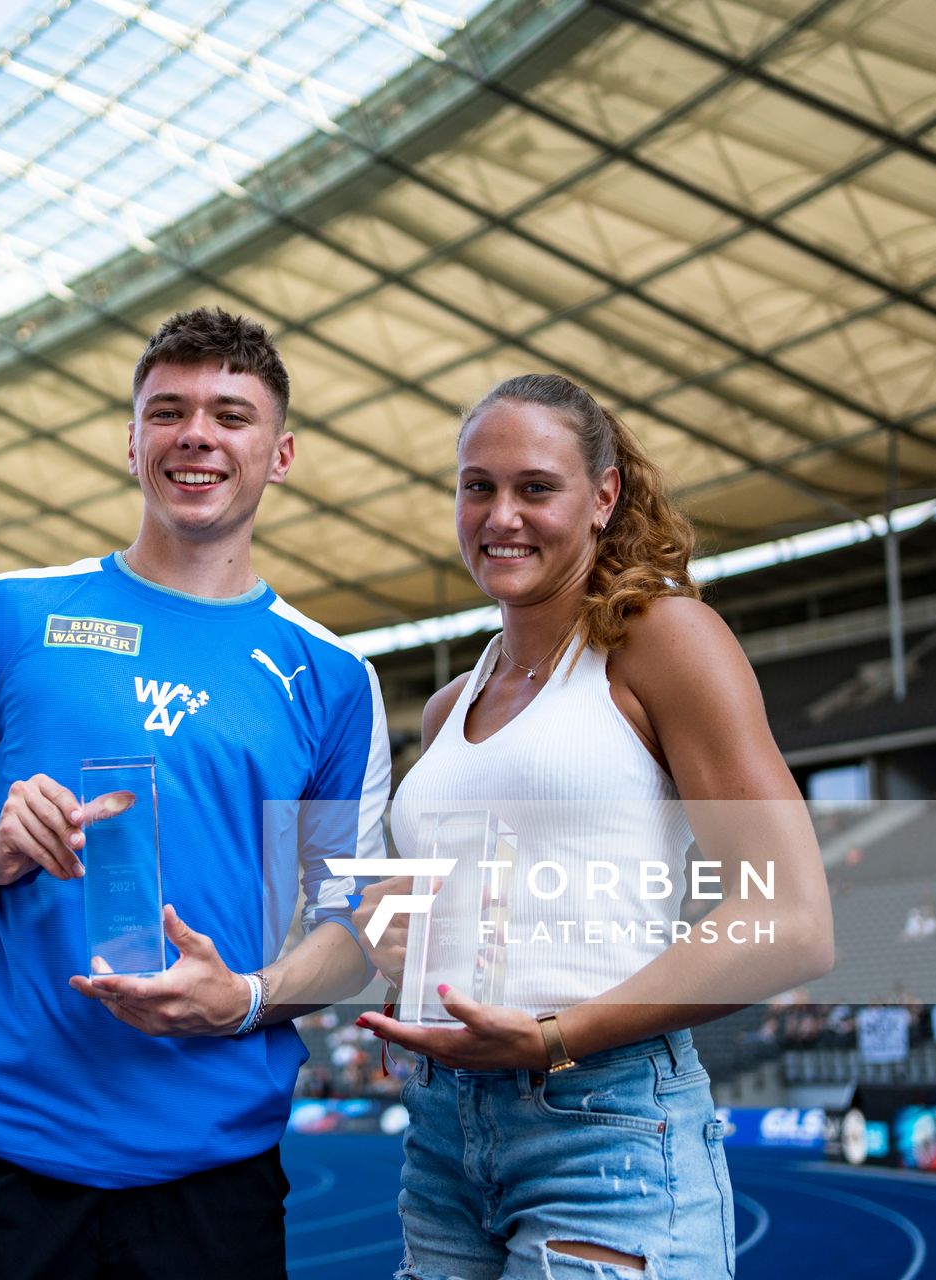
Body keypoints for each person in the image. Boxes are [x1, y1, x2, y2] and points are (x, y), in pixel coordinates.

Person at [0, 307, 390, 1279]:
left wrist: (243, 998)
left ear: (280, 454)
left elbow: (354, 926)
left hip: (212, 1180)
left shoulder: (334, 678)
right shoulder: (11, 612)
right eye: (169, 410)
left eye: (232, 414)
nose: (197, 433)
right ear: (132, 440)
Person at [356, 374, 833, 1278]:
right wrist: (402, 940)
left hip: (601, 1127)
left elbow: (795, 920)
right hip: (441, 1136)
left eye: (536, 488)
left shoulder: (663, 640)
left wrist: (551, 1037)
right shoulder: (450, 705)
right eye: (477, 486)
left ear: (603, 496)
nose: (501, 515)